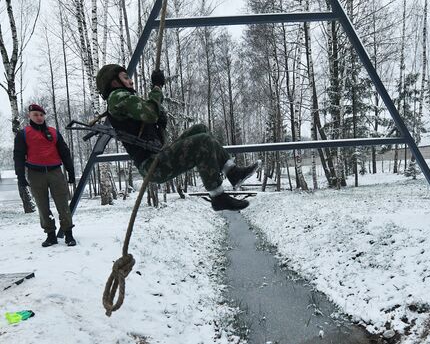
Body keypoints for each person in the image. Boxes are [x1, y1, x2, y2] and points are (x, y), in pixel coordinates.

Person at [95, 64, 259, 211]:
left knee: (200, 129)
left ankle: (233, 173)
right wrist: (157, 87)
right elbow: (150, 113)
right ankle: (218, 197)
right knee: (203, 141)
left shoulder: (126, 100)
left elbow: (155, 138)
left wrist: (161, 125)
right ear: (114, 83)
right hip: (152, 165)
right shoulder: (117, 97)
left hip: (158, 156)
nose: (131, 81)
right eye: (126, 78)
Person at [13, 104, 77, 247]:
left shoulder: (54, 133)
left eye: (41, 115)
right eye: (35, 114)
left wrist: (71, 171)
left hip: (55, 172)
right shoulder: (23, 134)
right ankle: (51, 235)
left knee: (63, 205)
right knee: (42, 206)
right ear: (29, 116)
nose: (39, 117)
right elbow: (18, 156)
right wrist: (20, 177)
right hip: (35, 174)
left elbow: (64, 153)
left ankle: (68, 234)